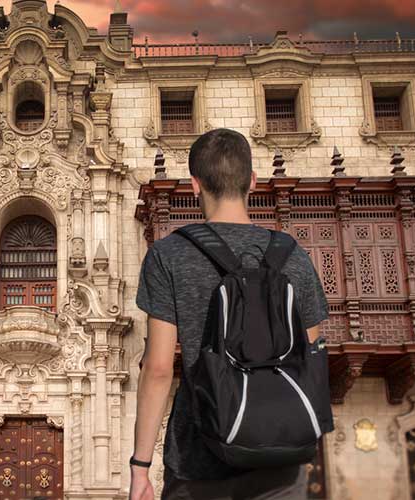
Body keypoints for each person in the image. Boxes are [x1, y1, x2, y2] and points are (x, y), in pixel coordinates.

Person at [129, 128, 329, 500]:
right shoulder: (293, 255)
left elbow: (157, 369)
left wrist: (140, 466)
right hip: (280, 460)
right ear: (252, 181)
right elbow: (312, 355)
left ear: (194, 184)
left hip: (198, 459)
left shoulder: (169, 255)